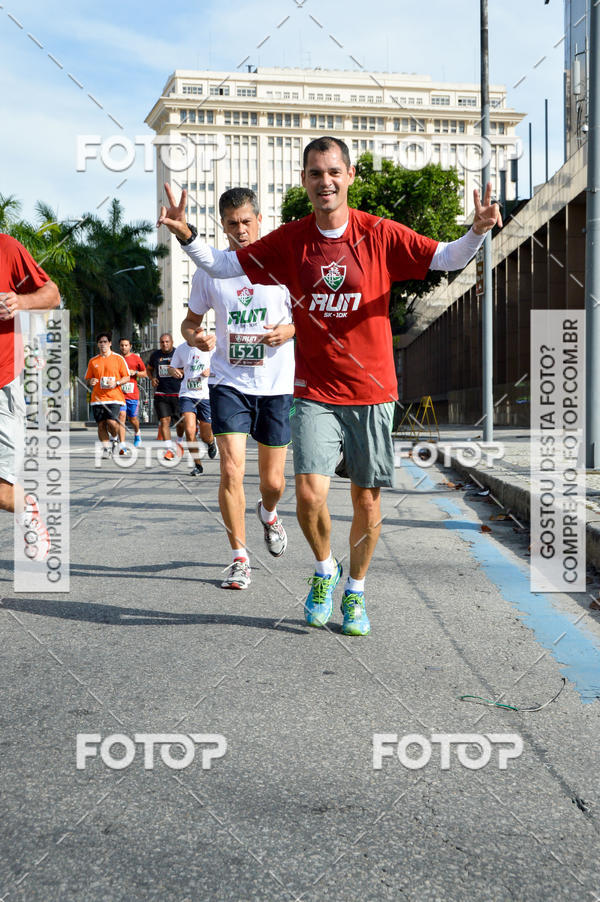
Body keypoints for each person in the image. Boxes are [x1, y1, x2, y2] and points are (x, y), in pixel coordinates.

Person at [158, 138, 501, 631]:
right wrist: (186, 232)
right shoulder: (292, 241)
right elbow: (226, 265)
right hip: (314, 390)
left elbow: (445, 258)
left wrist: (477, 230)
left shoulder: (379, 233)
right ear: (304, 180)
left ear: (350, 175)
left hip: (373, 391)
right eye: (316, 173)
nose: (326, 181)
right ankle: (324, 570)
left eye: (334, 171)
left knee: (366, 500)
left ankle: (355, 592)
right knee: (309, 495)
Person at [178, 187, 295, 590]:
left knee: (273, 483)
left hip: (276, 384)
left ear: (260, 220)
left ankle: (269, 513)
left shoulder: (283, 263)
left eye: (247, 221)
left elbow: (308, 318)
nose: (241, 231)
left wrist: (289, 329)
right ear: (223, 226)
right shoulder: (210, 270)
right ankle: (239, 558)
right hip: (229, 382)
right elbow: (189, 324)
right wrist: (196, 340)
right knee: (230, 469)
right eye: (232, 224)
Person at [0, 233, 60, 560]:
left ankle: (28, 509)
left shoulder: (6, 249)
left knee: (3, 490)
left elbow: (51, 294)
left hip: (2, 382)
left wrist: (19, 302)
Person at [168, 340, 216, 475]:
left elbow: (221, 366)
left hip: (204, 395)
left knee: (206, 435)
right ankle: (198, 465)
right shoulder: (181, 348)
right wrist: (174, 371)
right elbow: (171, 367)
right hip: (187, 394)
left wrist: (210, 370)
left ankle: (211, 442)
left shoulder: (209, 347)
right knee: (189, 431)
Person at [85, 332, 131, 458]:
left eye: (105, 342)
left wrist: (116, 383)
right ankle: (106, 449)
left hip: (114, 397)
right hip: (97, 398)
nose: (103, 344)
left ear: (110, 343)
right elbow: (88, 379)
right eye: (100, 342)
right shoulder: (93, 361)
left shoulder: (118, 359)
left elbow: (126, 377)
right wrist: (91, 381)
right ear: (97, 345)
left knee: (112, 422)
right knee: (101, 425)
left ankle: (114, 438)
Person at [146, 333, 184, 460]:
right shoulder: (155, 355)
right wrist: (152, 378)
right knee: (164, 421)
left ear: (172, 342)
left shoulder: (179, 353)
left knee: (180, 423)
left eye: (167, 342)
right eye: (162, 342)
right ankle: (169, 449)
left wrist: (178, 372)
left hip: (177, 393)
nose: (164, 344)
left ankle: (179, 442)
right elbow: (149, 369)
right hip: (161, 393)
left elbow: (188, 369)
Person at [118, 338, 147, 447]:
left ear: (130, 346)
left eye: (126, 345)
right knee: (121, 416)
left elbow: (145, 373)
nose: (124, 347)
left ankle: (137, 433)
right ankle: (122, 443)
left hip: (132, 394)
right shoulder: (117, 358)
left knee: (132, 418)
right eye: (121, 345)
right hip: (119, 394)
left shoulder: (136, 358)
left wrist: (134, 372)